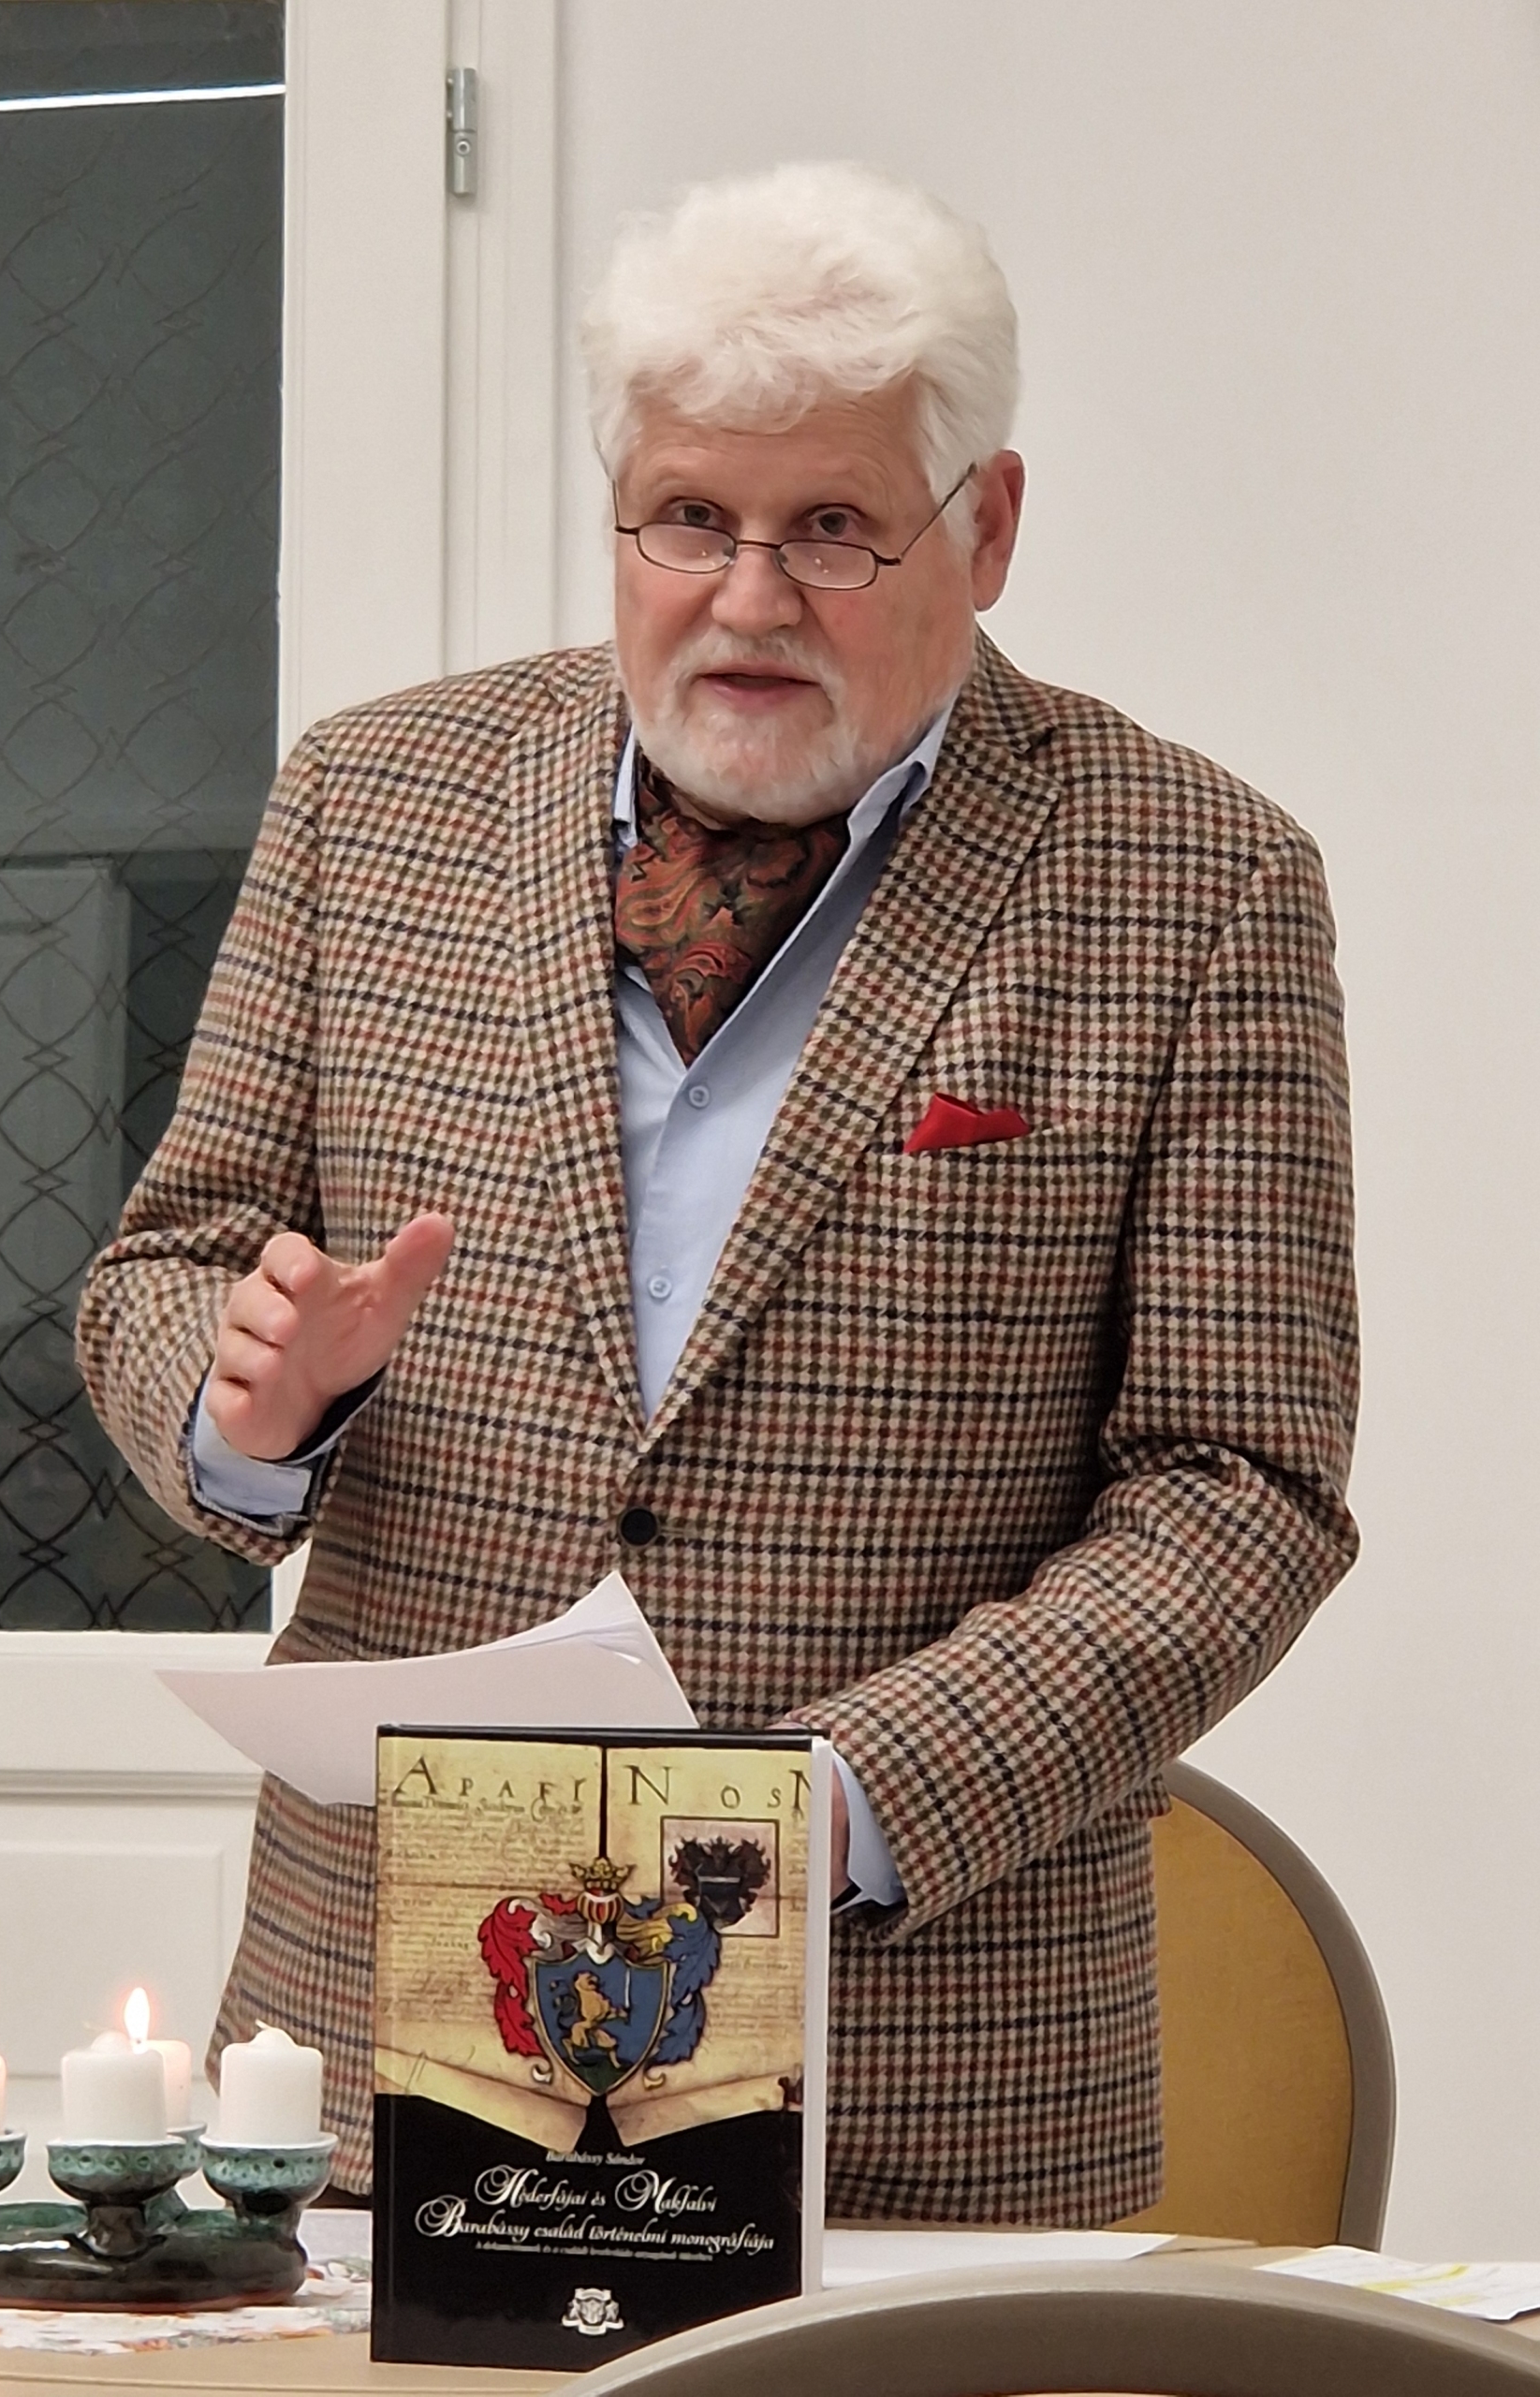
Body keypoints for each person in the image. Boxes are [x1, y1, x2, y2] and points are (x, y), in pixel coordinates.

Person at [77, 161, 1357, 2225]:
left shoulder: (1197, 883)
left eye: (834, 526)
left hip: (924, 2089)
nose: (749, 597)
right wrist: (247, 1404)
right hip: (380, 2041)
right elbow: (171, 1263)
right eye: (688, 515)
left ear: (989, 527)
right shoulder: (369, 802)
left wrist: (832, 1799)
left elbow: (1242, 1485)